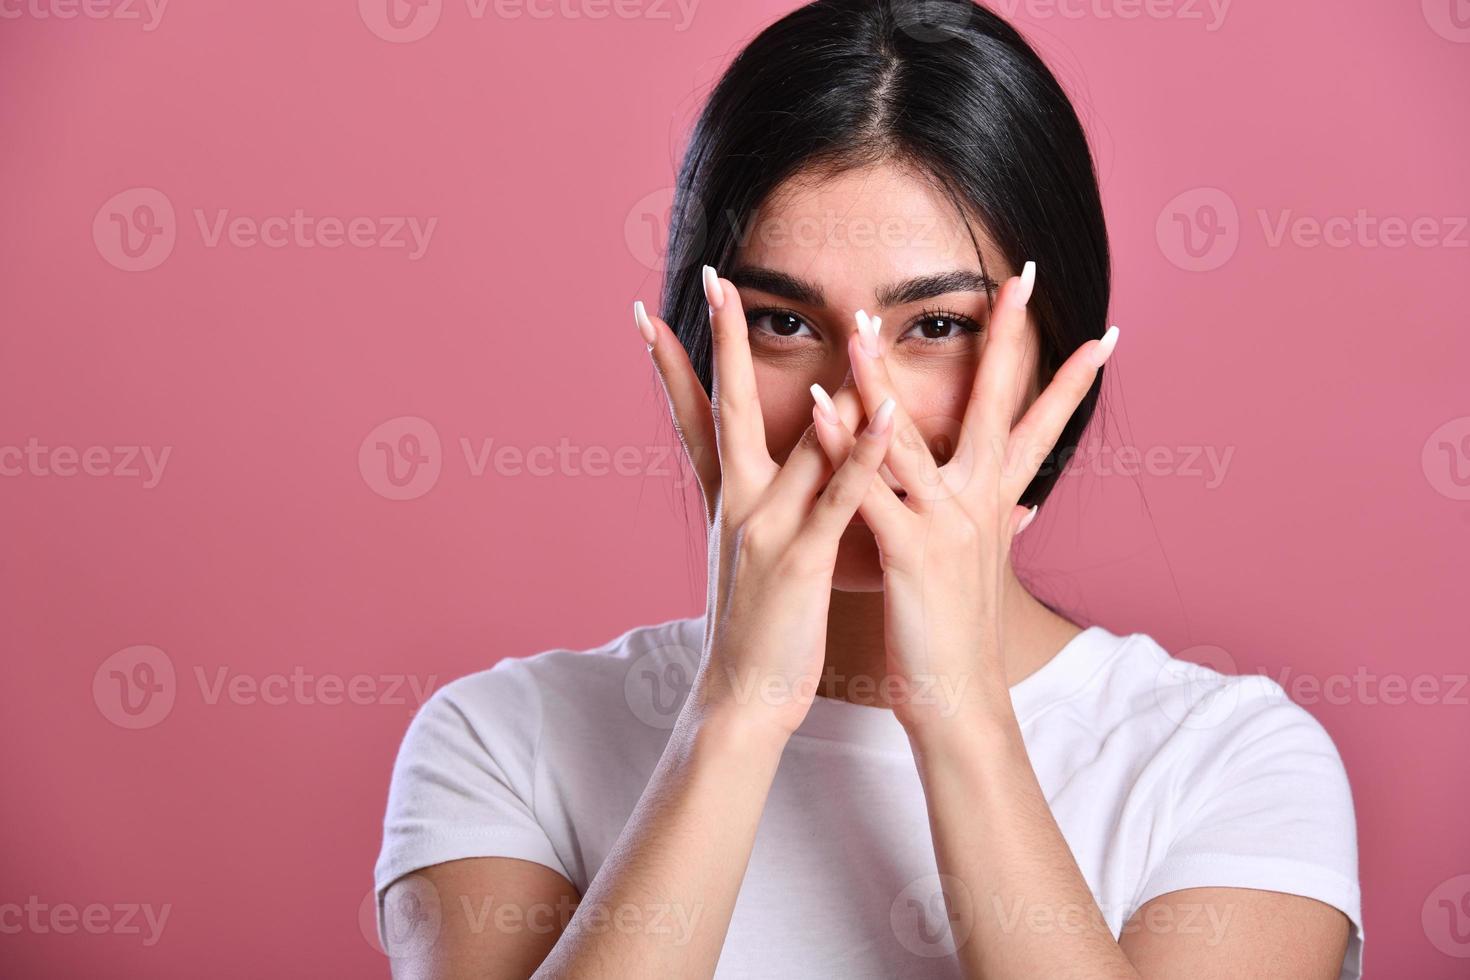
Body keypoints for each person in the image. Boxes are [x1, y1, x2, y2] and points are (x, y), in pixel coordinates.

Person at [374, 1, 1362, 976]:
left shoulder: (1227, 762)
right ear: (695, 351)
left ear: (1057, 358)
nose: (854, 409)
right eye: (780, 322)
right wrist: (736, 709)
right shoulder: (506, 741)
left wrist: (961, 711)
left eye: (935, 327)